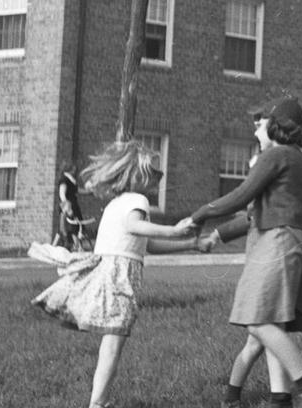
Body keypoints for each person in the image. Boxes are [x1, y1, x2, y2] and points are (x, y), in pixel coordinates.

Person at [183, 97, 302, 408]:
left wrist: (198, 215)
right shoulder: (301, 162)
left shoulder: (275, 155)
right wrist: (220, 233)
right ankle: (281, 399)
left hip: (277, 240)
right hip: (295, 241)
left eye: (262, 123)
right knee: (273, 323)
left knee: (258, 320)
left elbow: (241, 196)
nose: (256, 128)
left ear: (277, 126)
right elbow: (255, 211)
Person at [31, 140, 200, 408]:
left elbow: (148, 245)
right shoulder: (138, 201)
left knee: (111, 343)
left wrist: (190, 244)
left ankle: (98, 402)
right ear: (136, 174)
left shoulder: (117, 203)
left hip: (110, 275)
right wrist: (174, 230)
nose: (160, 176)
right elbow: (135, 227)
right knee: (113, 344)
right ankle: (98, 404)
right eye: (154, 171)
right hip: (119, 279)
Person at [208, 149, 302, 408]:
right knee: (258, 341)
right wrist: (216, 235)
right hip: (280, 282)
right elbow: (246, 220)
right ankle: (235, 395)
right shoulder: (286, 204)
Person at [53, 163, 95, 252]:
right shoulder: (64, 179)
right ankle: (77, 247)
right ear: (68, 169)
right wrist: (67, 208)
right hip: (68, 207)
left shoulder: (71, 180)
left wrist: (89, 192)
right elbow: (62, 195)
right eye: (73, 169)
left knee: (74, 227)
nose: (74, 171)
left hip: (74, 206)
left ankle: (77, 247)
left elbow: (78, 190)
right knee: (69, 228)